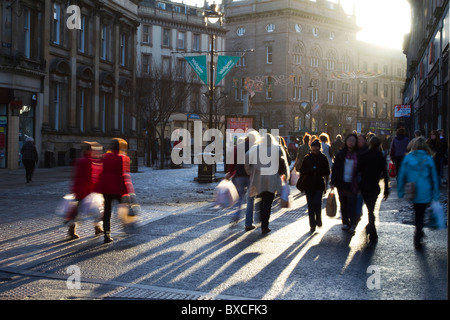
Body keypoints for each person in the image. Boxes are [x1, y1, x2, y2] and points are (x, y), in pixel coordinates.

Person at [397, 137, 439, 249]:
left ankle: (418, 232)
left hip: (413, 190)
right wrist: (435, 193)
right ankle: (419, 233)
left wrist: (400, 190)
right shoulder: (428, 158)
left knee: (417, 213)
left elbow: (401, 175)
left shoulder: (408, 158)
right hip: (425, 190)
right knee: (421, 212)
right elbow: (434, 177)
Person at [245, 133, 290, 234]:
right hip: (272, 179)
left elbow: (247, 156)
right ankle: (265, 225)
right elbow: (284, 162)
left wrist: (249, 170)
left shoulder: (256, 148)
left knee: (260, 199)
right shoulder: (277, 148)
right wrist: (286, 175)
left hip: (258, 179)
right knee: (268, 202)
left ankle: (260, 218)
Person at [98, 138, 135, 243]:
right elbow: (123, 176)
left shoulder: (104, 157)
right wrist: (127, 190)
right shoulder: (122, 158)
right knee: (124, 208)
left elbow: (101, 172)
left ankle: (107, 235)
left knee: (107, 212)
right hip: (118, 189)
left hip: (106, 189)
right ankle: (127, 227)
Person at [66, 142, 104, 240]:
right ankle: (98, 227)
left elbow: (75, 175)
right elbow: (92, 177)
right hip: (88, 190)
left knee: (76, 211)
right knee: (98, 210)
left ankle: (71, 229)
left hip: (78, 189)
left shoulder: (80, 160)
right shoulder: (90, 161)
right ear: (90, 150)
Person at [357, 136, 389, 242]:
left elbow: (358, 170)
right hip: (374, 186)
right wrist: (386, 189)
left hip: (364, 186)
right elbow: (385, 173)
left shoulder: (364, 155)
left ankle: (371, 227)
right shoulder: (380, 156)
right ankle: (372, 230)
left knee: (369, 208)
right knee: (371, 209)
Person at [228, 131, 261, 231]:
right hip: (251, 176)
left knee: (240, 197)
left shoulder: (238, 147)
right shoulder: (255, 148)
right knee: (251, 200)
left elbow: (232, 160)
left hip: (239, 176)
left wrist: (230, 172)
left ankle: (236, 215)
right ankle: (248, 223)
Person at [330, 133, 360, 234]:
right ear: (346, 142)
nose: (351, 142)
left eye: (353, 141)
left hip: (354, 183)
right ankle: (345, 222)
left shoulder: (358, 154)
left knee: (352, 204)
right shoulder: (341, 154)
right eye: (349, 140)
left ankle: (353, 223)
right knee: (343, 203)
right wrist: (332, 181)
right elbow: (335, 168)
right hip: (342, 182)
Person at [300, 140, 330, 232]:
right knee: (310, 205)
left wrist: (318, 170)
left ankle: (318, 219)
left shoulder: (323, 158)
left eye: (316, 150)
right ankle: (312, 224)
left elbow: (327, 172)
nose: (314, 152)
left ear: (319, 149)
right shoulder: (307, 158)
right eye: (313, 150)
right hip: (309, 184)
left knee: (317, 203)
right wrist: (310, 170)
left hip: (319, 184)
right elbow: (302, 170)